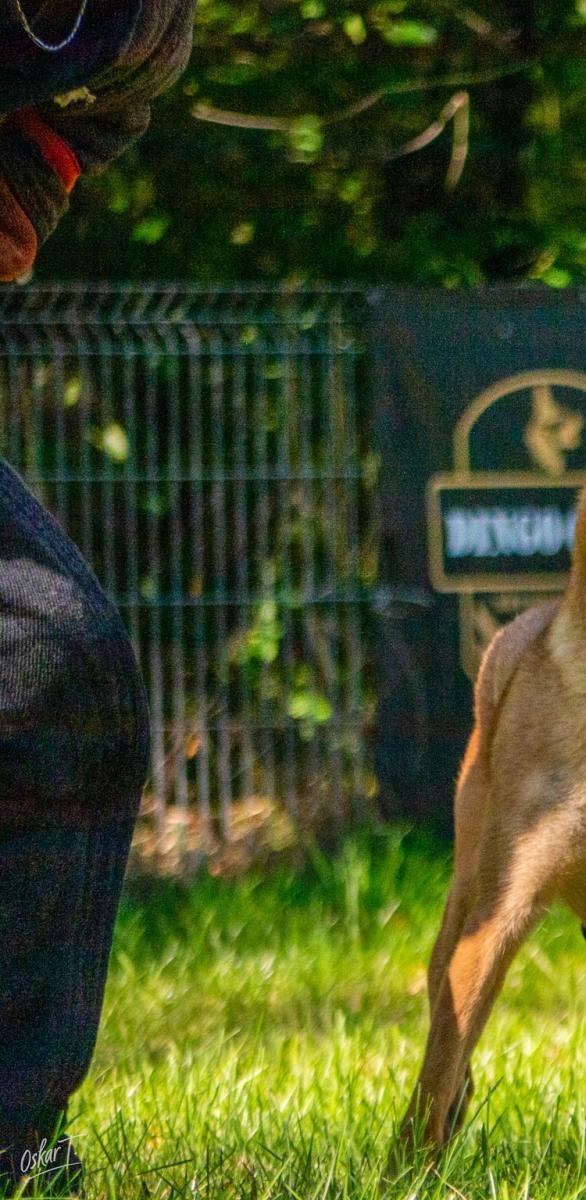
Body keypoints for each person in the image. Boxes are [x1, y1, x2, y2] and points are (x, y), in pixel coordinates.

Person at [1, 0, 195, 1190]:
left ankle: (9, 1132)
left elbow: (28, 193)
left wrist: (22, 179)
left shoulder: (140, 25)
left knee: (56, 666)